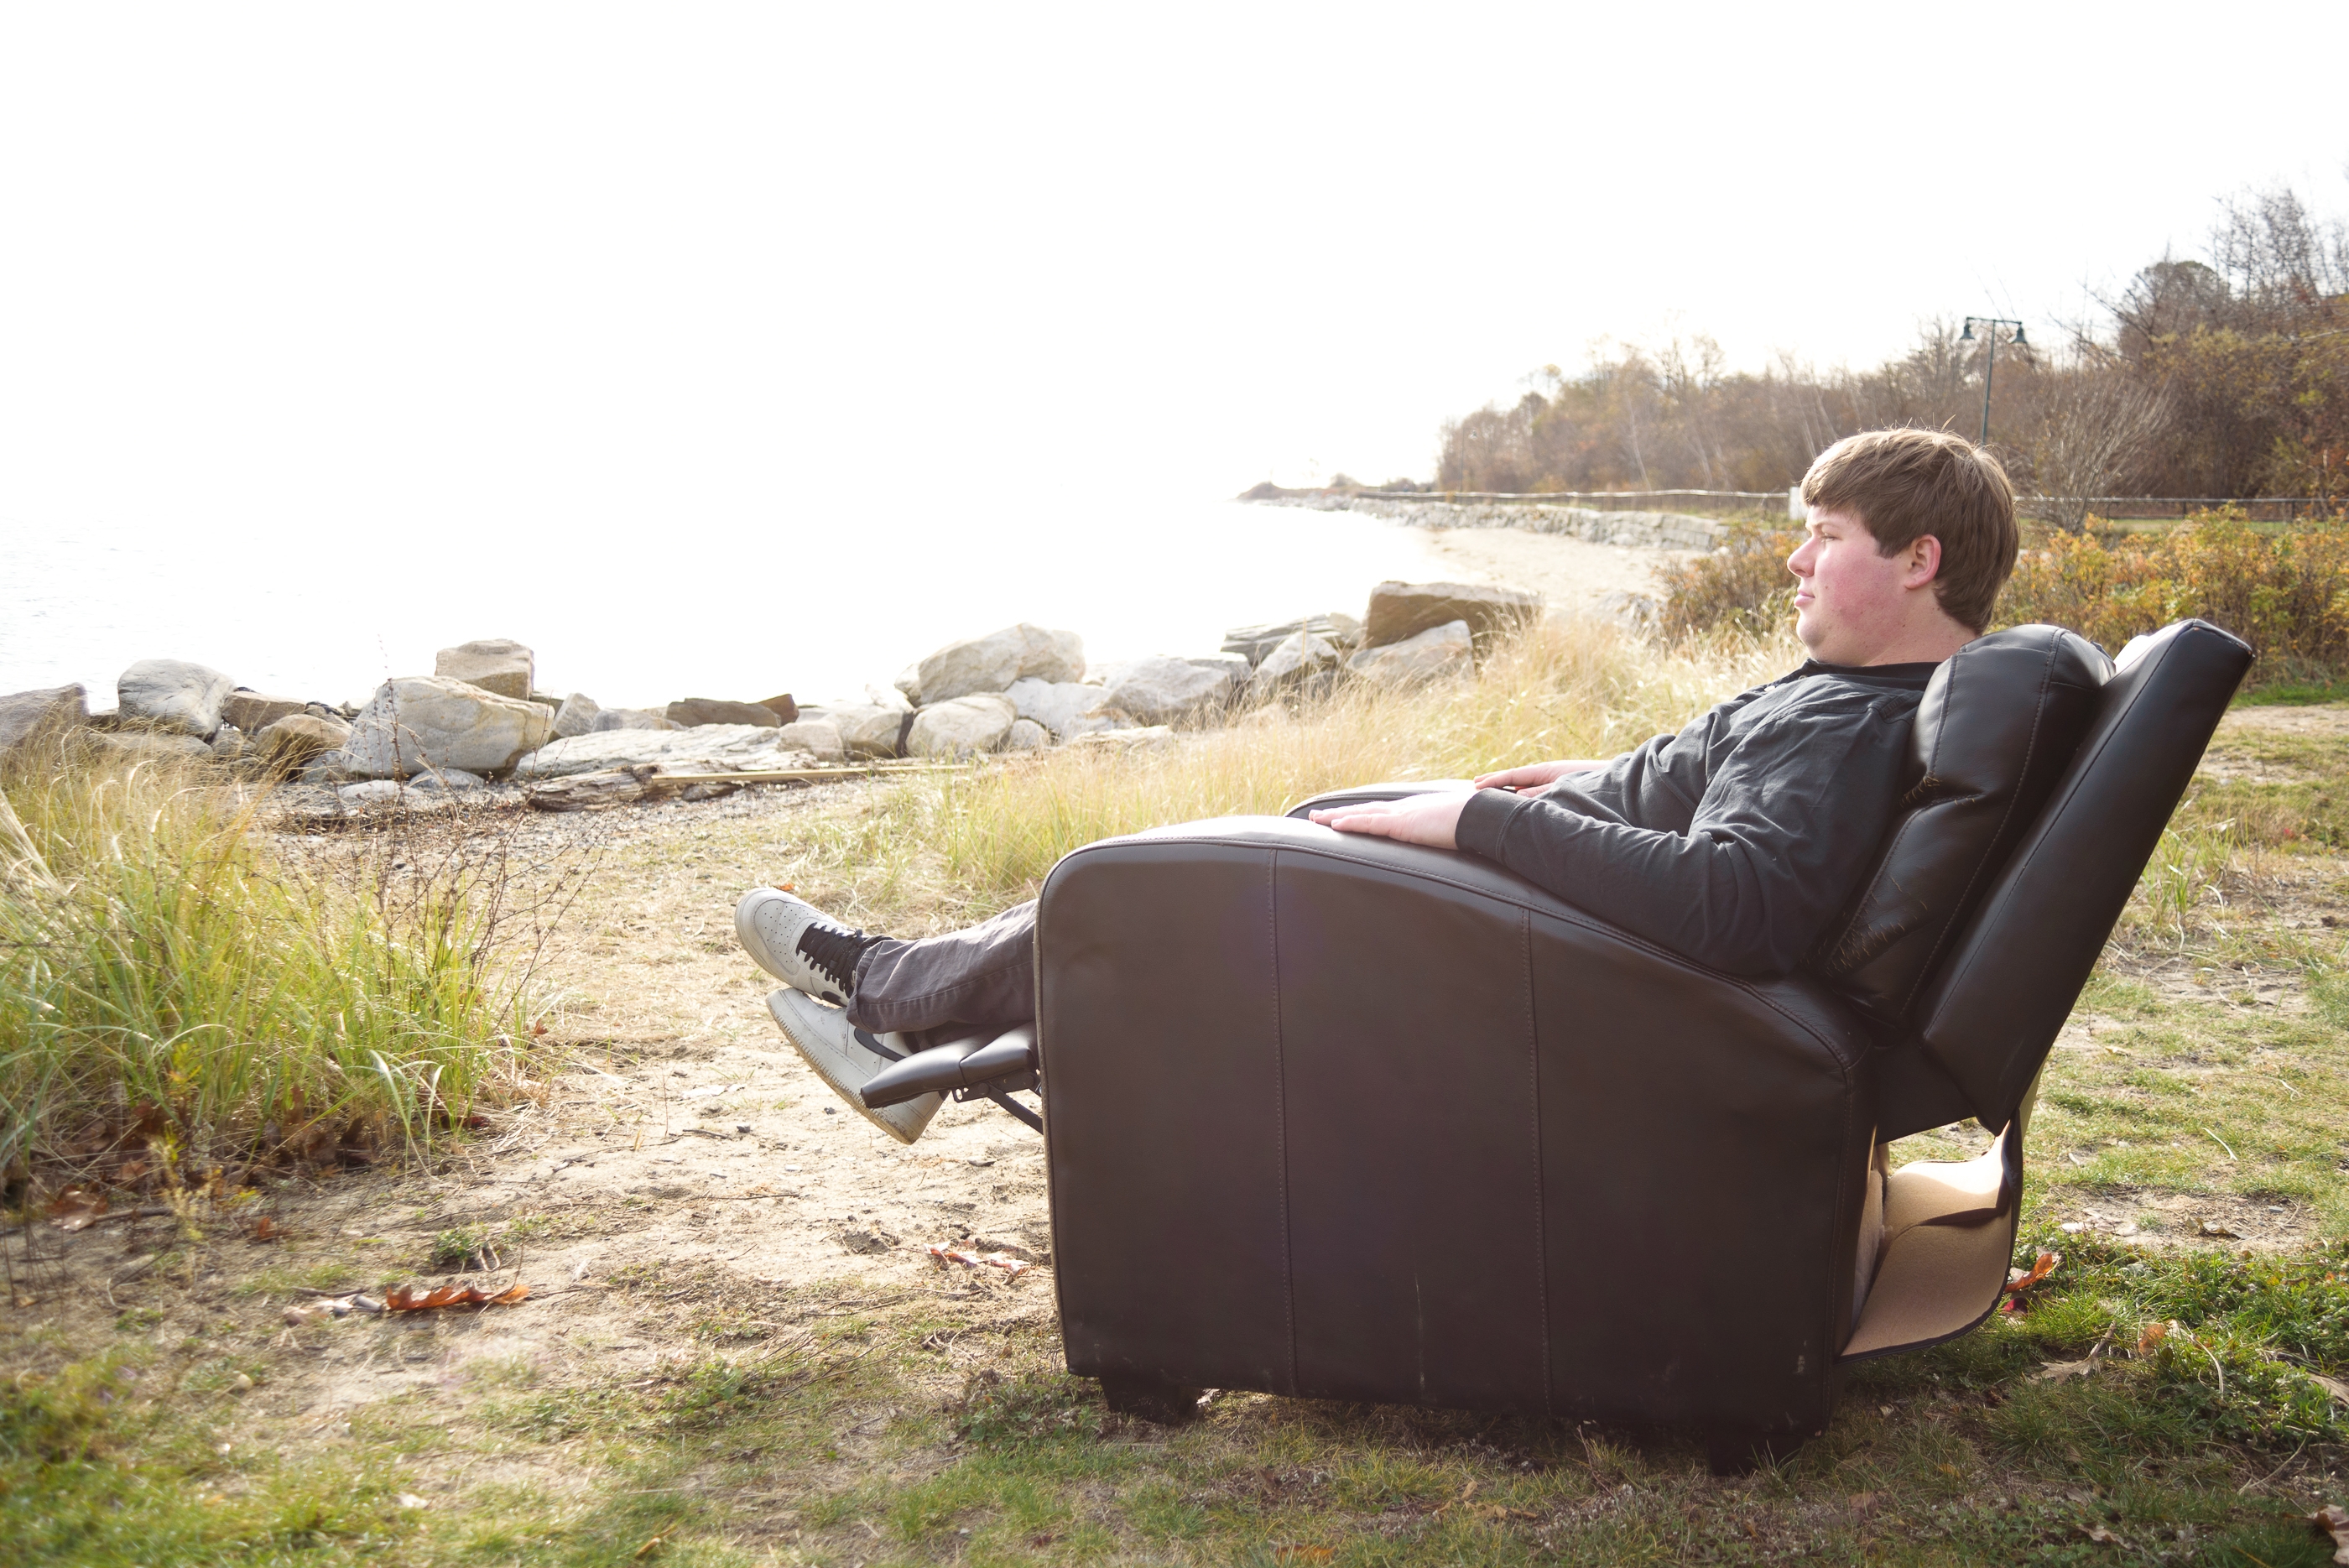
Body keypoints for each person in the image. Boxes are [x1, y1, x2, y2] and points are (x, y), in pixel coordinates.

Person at [735, 427, 2020, 1142]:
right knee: (1275, 844)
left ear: (1920, 559)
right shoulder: (1865, 698)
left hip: (1571, 969)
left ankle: (892, 988)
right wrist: (1596, 780)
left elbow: (1736, 905)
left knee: (1188, 885)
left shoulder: (1849, 723)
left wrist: (1478, 819)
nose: (1795, 561)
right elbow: (1735, 819)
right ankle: (941, 1026)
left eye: (1827, 539)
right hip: (1566, 927)